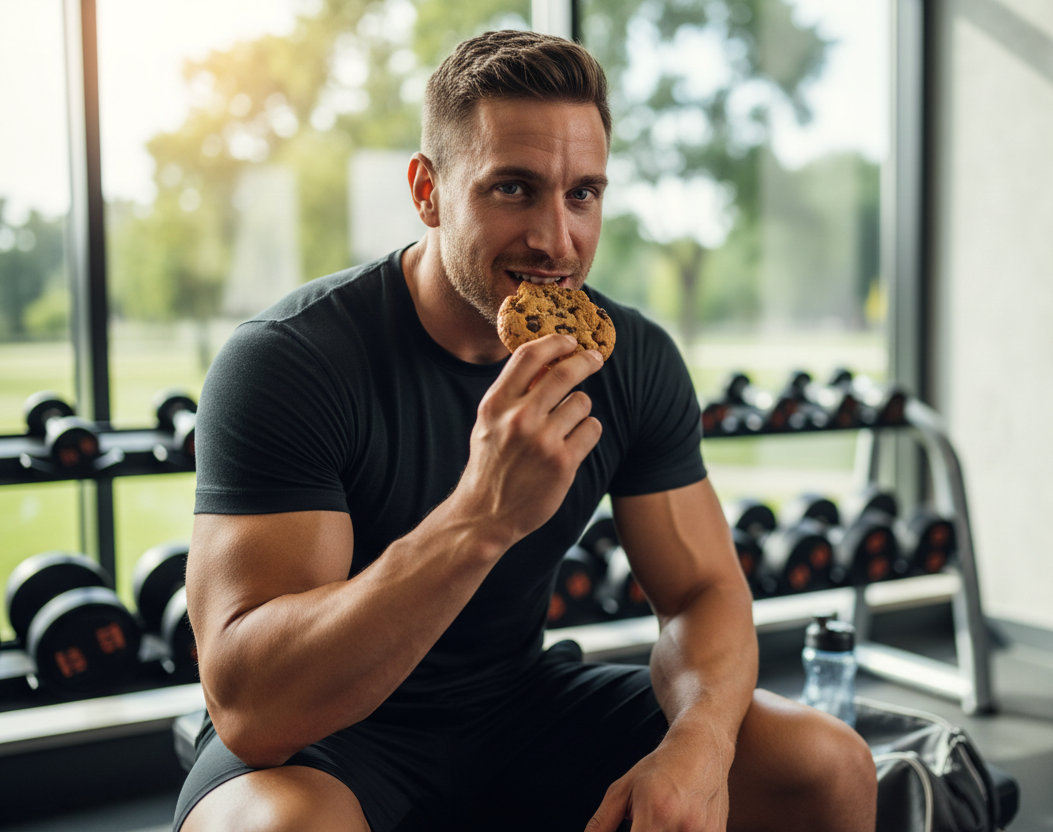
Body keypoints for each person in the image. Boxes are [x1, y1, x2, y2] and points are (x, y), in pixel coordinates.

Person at [176, 29, 876, 832]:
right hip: (327, 739)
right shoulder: (290, 361)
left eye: (583, 194)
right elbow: (254, 709)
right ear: (428, 191)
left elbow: (703, 592)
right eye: (513, 189)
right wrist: (481, 515)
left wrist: (702, 742)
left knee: (825, 766)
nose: (557, 239)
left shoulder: (628, 358)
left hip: (517, 707)